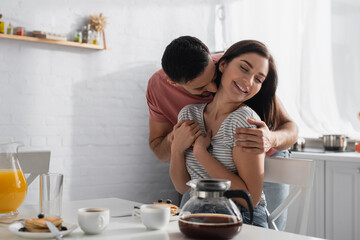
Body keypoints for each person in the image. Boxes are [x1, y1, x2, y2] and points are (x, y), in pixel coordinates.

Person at [146, 36, 298, 230]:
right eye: (201, 87)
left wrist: (270, 139)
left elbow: (251, 198)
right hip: (206, 204)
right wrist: (176, 145)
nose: (213, 87)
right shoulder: (184, 109)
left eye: (213, 77)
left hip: (258, 154)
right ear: (175, 84)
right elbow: (182, 185)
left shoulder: (242, 109)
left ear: (218, 65)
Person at [170, 39, 278, 228]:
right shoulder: (189, 115)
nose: (249, 82)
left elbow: (250, 199)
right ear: (223, 64)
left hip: (242, 217)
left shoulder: (244, 122)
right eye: (244, 68)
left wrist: (202, 155)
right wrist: (176, 150)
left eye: (259, 79)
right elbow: (182, 186)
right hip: (197, 212)